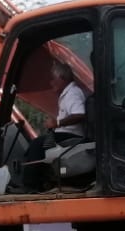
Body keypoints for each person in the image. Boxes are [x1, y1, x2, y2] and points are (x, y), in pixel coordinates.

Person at [20, 57, 88, 192]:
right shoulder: (67, 93)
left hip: (72, 136)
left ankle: (30, 186)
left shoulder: (73, 93)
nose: (51, 82)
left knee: (37, 145)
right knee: (38, 144)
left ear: (62, 78)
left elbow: (80, 114)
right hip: (65, 134)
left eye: (53, 79)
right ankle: (42, 181)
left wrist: (57, 123)